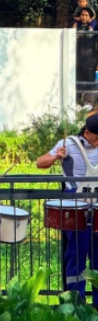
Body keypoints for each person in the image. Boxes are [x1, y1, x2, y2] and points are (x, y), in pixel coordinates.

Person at [36, 112, 98, 303]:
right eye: (96, 137)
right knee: (76, 252)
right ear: (87, 132)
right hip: (74, 201)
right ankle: (75, 301)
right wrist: (56, 156)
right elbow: (40, 163)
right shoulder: (69, 143)